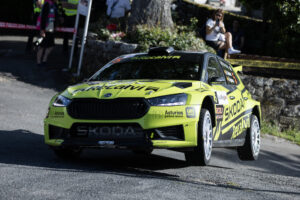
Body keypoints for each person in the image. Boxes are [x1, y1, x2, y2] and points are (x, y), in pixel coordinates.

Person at [36, 0, 59, 67]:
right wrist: (42, 30)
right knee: (41, 46)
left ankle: (44, 60)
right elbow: (44, 17)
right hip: (45, 28)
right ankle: (39, 62)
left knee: (51, 46)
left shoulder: (54, 4)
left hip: (50, 29)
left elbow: (55, 16)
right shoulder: (47, 4)